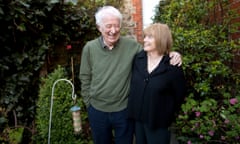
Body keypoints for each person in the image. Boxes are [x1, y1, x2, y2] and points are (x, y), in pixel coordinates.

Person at [79, 6, 182, 144]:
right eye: (108, 26)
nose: (113, 30)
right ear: (99, 27)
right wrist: (88, 103)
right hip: (97, 111)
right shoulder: (89, 48)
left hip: (124, 111)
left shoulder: (133, 47)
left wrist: (172, 54)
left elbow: (154, 51)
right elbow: (85, 77)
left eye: (116, 26)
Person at [127, 23, 186, 144]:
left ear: (161, 39)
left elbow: (179, 95)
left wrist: (166, 112)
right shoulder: (138, 59)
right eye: (145, 36)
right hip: (138, 119)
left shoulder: (172, 66)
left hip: (159, 122)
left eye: (149, 37)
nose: (145, 40)